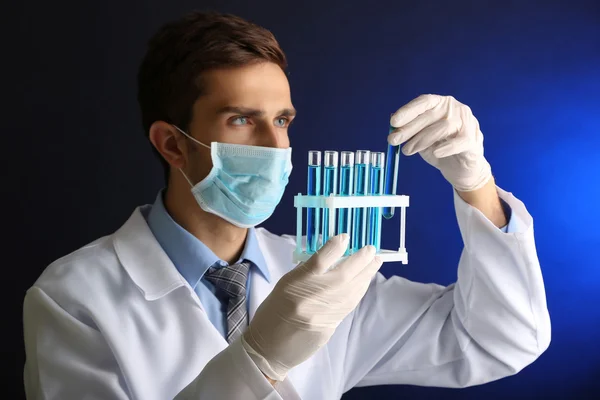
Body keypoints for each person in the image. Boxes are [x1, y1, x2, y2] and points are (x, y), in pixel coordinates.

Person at [22, 10, 551, 400]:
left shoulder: (324, 273)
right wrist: (260, 359)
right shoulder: (74, 299)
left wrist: (475, 185)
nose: (277, 150)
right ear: (173, 143)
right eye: (241, 120)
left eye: (281, 121)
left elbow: (500, 340)